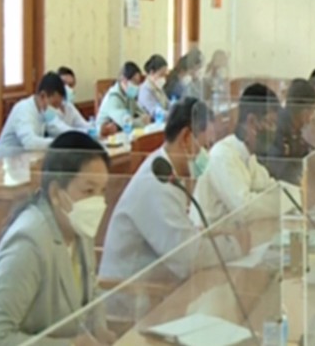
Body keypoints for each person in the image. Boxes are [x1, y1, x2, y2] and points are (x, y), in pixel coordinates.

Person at [0, 132, 114, 345]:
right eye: (88, 191)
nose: (97, 202)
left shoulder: (78, 226)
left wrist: (100, 330)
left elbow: (91, 292)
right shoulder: (28, 242)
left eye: (102, 191)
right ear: (56, 193)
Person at [99, 98, 245, 302]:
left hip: (155, 289)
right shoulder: (156, 182)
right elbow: (188, 257)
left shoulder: (168, 171)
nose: (206, 155)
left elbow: (183, 235)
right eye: (204, 146)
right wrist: (236, 245)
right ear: (185, 138)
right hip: (132, 302)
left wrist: (217, 233)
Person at [194, 84, 282, 224]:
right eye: (270, 123)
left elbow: (273, 188)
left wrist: (299, 194)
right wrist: (282, 202)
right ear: (252, 122)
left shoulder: (248, 157)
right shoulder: (222, 155)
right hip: (212, 236)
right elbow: (245, 209)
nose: (273, 131)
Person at [0, 72, 66, 160]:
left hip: (22, 161)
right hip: (4, 162)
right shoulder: (23, 109)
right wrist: (58, 143)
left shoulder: (43, 112)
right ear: (43, 96)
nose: (56, 109)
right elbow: (30, 143)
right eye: (54, 104)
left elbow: (57, 127)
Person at [264, 79, 315, 185]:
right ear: (305, 113)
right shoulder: (277, 128)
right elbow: (281, 173)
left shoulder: (298, 128)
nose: (312, 116)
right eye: (312, 111)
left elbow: (304, 161)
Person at [96, 62, 149, 133]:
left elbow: (143, 114)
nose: (137, 86)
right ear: (124, 80)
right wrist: (141, 121)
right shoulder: (113, 97)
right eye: (134, 81)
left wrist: (143, 118)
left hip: (123, 133)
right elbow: (128, 123)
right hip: (106, 137)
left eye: (138, 83)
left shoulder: (129, 95)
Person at [49, 66, 89, 136]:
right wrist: (84, 131)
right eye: (64, 83)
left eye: (70, 85)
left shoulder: (69, 106)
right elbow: (61, 130)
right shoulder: (48, 108)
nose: (67, 88)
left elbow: (84, 125)